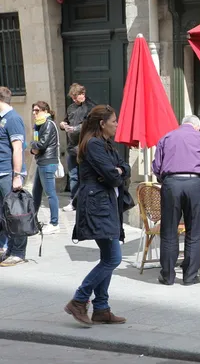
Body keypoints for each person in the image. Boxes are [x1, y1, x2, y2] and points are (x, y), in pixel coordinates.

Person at [65, 105, 130, 326]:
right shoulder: (94, 145)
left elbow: (123, 167)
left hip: (107, 204)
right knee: (113, 258)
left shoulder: (105, 144)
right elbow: (113, 176)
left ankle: (101, 308)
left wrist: (119, 171)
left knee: (107, 257)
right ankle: (79, 300)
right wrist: (116, 173)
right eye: (114, 121)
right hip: (98, 206)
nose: (117, 124)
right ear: (102, 123)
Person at [152, 115, 200, 286]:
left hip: (172, 183)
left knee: (169, 230)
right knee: (194, 231)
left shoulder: (167, 137)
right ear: (196, 126)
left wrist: (165, 178)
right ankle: (190, 277)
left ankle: (168, 276)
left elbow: (157, 166)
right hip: (194, 182)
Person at [0, 87, 26, 267]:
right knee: (4, 215)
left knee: (15, 214)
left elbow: (17, 148)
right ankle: (8, 249)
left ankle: (18, 252)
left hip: (8, 174)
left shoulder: (13, 119)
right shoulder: (2, 119)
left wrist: (17, 176)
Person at [60, 83, 95, 212]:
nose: (75, 99)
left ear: (82, 94)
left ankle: (86, 201)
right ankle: (74, 201)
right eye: (73, 97)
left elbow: (88, 125)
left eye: (77, 96)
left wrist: (73, 129)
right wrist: (63, 125)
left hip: (84, 148)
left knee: (85, 176)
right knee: (73, 176)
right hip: (72, 148)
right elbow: (65, 121)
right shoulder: (71, 108)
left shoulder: (90, 107)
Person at [30, 101, 60, 235]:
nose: (34, 113)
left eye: (37, 110)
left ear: (45, 111)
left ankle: (54, 223)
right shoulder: (38, 125)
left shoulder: (48, 124)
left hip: (48, 162)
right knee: (36, 192)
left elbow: (41, 144)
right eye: (33, 111)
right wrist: (33, 148)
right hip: (41, 161)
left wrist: (33, 145)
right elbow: (36, 146)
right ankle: (33, 219)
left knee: (50, 194)